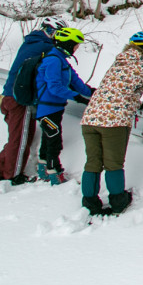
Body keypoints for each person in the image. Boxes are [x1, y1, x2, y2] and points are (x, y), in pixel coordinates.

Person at [79, 31, 143, 216]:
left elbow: (118, 88)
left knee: (92, 162)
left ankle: (89, 201)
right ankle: (118, 200)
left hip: (90, 118)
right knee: (113, 164)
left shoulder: (118, 61)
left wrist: (134, 98)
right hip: (114, 121)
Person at [0, 17, 63, 185]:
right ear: (51, 32)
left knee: (16, 137)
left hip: (8, 96)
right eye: (56, 33)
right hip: (20, 99)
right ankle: (13, 175)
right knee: (20, 140)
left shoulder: (30, 43)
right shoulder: (45, 47)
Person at [34, 27, 94, 185]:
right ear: (67, 44)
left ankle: (43, 170)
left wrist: (91, 92)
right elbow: (55, 87)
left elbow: (75, 81)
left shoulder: (61, 60)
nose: (76, 49)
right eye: (75, 45)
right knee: (54, 141)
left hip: (55, 108)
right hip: (46, 109)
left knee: (48, 140)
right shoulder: (53, 60)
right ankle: (55, 173)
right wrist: (78, 97)